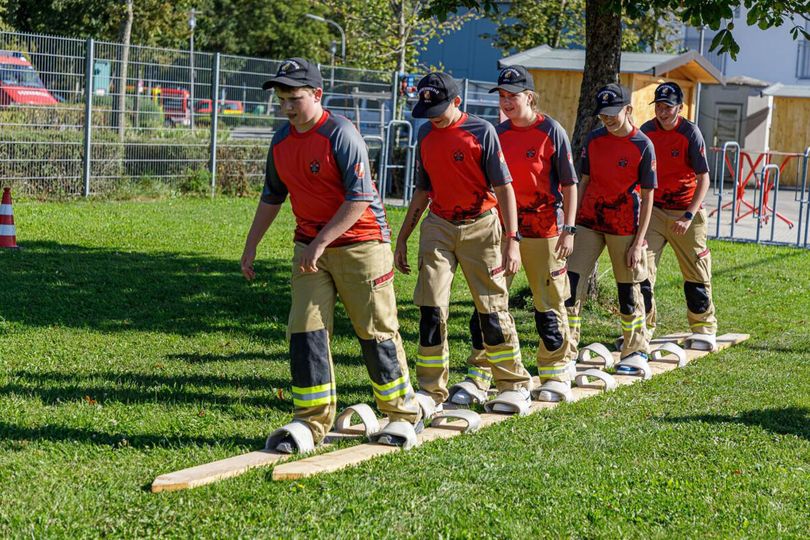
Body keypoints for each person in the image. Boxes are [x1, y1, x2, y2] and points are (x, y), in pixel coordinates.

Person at [241, 58, 421, 453]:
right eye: (282, 98)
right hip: (311, 247)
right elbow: (272, 196)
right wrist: (252, 243)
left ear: (317, 95)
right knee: (305, 332)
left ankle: (403, 415)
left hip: (363, 245)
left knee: (375, 331)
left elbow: (359, 200)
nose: (287, 107)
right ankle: (310, 421)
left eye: (295, 98)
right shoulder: (281, 141)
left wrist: (321, 242)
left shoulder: (341, 133)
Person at [394, 71, 533, 415]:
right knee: (431, 307)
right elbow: (423, 191)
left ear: (457, 102)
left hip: (481, 226)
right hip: (439, 225)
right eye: (428, 111)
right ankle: (430, 388)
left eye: (440, 109)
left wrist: (512, 240)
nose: (434, 118)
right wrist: (403, 237)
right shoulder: (426, 135)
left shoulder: (481, 132)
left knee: (492, 309)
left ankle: (512, 384)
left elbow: (504, 189)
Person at [459, 65, 579, 404]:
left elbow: (570, 184)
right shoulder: (496, 133)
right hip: (502, 232)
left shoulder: (551, 130)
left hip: (545, 231)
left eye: (513, 96)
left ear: (530, 96)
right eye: (501, 96)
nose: (506, 102)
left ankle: (555, 371)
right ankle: (481, 372)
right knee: (489, 304)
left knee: (549, 304)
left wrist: (568, 230)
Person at [565, 83, 656, 374]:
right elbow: (585, 181)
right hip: (590, 221)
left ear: (628, 110)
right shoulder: (593, 140)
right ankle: (567, 348)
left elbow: (648, 195)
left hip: (624, 226)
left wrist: (639, 241)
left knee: (628, 289)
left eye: (612, 114)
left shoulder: (643, 144)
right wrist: (571, 225)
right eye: (602, 115)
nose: (607, 120)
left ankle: (635, 350)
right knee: (571, 285)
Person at [639, 82, 717, 350]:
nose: (662, 112)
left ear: (680, 108)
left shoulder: (690, 133)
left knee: (696, 270)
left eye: (668, 107)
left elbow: (704, 179)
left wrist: (688, 215)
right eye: (659, 107)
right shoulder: (646, 132)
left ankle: (703, 327)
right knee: (642, 271)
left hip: (687, 210)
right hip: (656, 210)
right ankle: (643, 329)